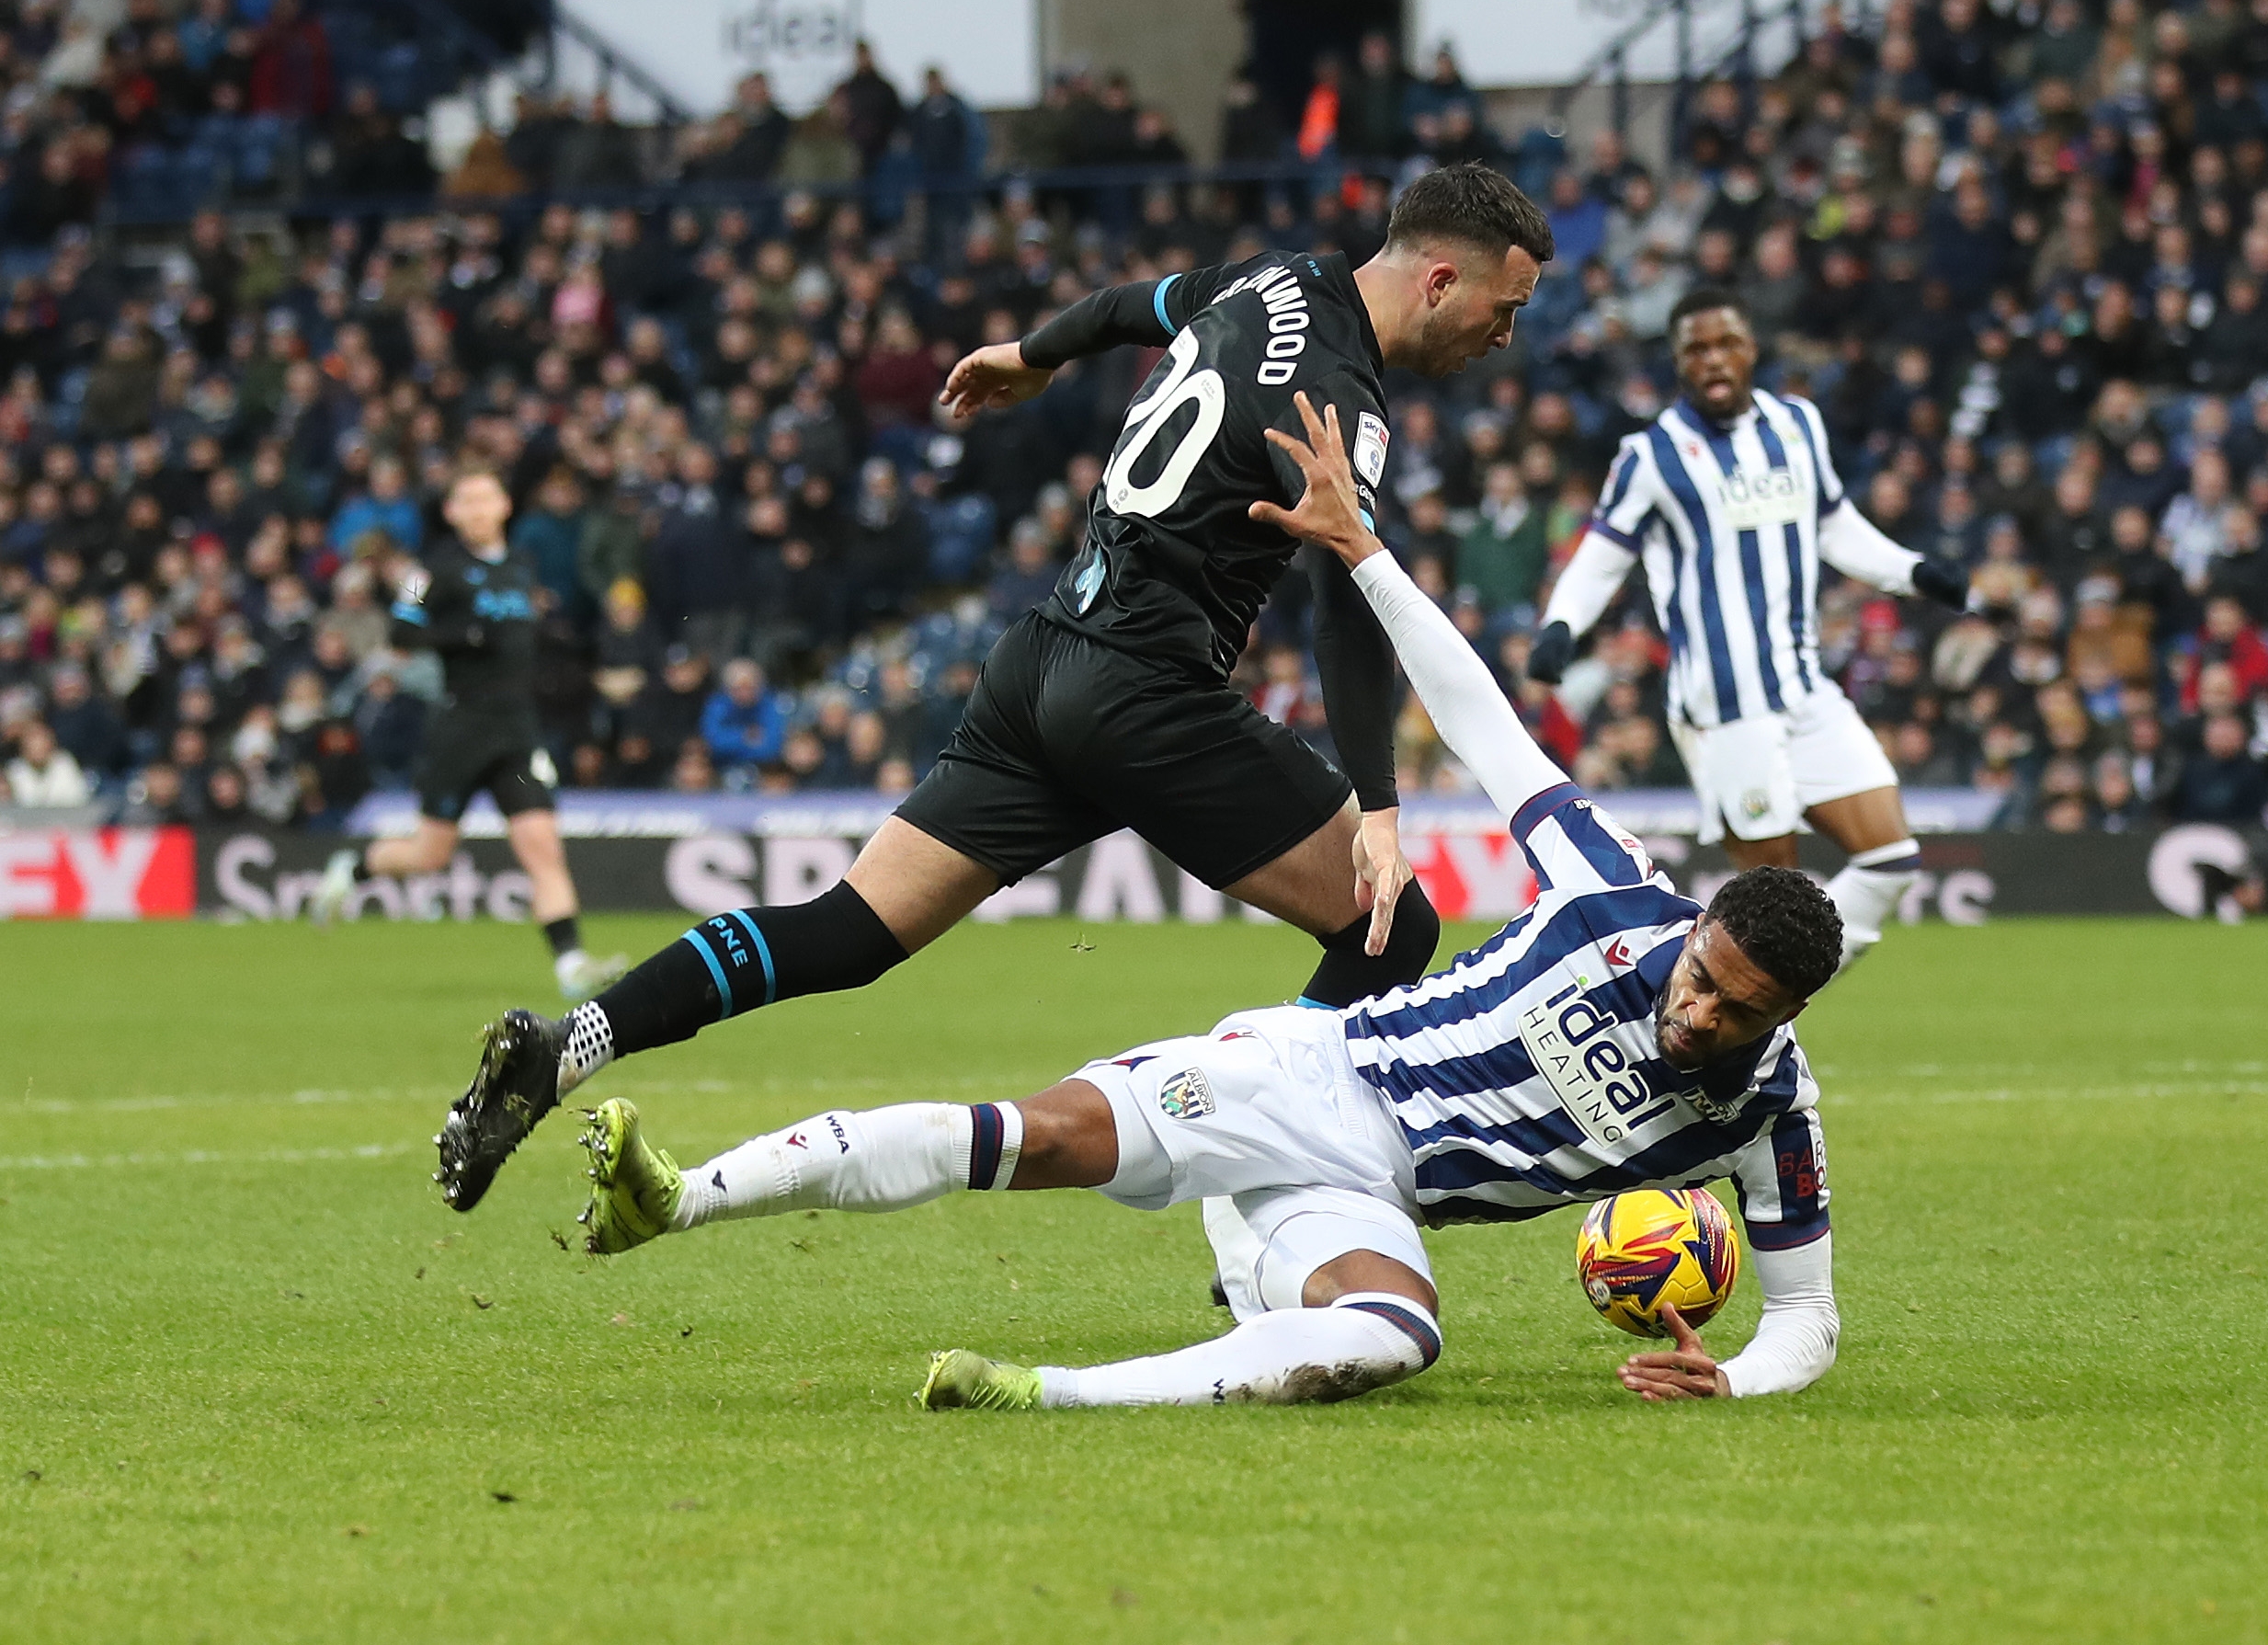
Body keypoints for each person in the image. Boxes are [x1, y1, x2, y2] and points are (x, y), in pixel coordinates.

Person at [571, 398, 1841, 1411]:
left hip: (1367, 1203)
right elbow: (1485, 722)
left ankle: (1040, 1390)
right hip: (1307, 1072)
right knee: (1033, 1138)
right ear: (1696, 929)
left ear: (1784, 1015)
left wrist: (1732, 1373)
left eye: (1736, 1011)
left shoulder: (1774, 1112)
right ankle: (676, 1196)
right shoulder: (1613, 890)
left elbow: (1805, 1319)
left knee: (1396, 1338)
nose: (1698, 1010)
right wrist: (1368, 555)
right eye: (1701, 973)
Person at [430, 164, 1554, 1214]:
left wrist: (1031, 349)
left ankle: (567, 1042)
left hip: (1045, 660)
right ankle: (1269, 1194)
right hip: (1146, 692)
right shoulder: (1338, 394)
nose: (1501, 339)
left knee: (848, 929)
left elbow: (1134, 302)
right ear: (1439, 276)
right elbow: (1346, 590)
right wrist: (1382, 808)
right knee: (1392, 922)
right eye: (1500, 310)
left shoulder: (1276, 279)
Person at [1525, 288, 1973, 968]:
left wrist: (1910, 571)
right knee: (1770, 902)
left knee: (1890, 859)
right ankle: (1737, 1028)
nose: (1712, 360)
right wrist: (1562, 624)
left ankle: (1758, 1004)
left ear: (1750, 349)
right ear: (1677, 362)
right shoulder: (1651, 455)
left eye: (1725, 344)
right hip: (1724, 706)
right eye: (1695, 349)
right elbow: (1602, 552)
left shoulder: (1798, 425)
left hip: (1804, 690)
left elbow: (1832, 524)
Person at [308, 468, 626, 1000]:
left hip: (517, 728)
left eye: (486, 499)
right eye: (466, 501)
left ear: (504, 505)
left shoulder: (525, 566)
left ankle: (571, 964)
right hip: (460, 727)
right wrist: (464, 635)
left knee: (543, 848)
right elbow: (401, 631)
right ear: (452, 513)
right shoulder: (427, 569)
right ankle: (352, 866)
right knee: (430, 854)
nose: (477, 510)